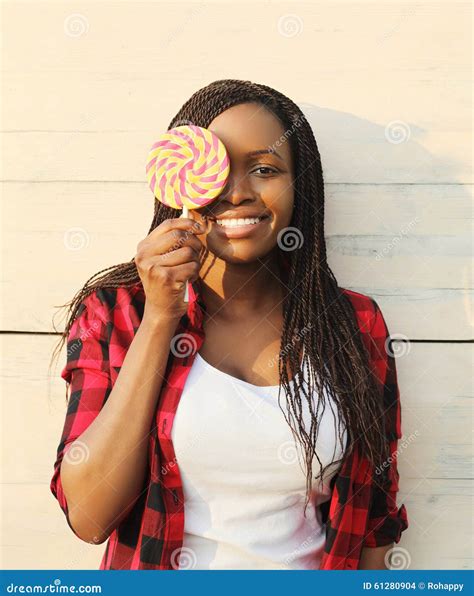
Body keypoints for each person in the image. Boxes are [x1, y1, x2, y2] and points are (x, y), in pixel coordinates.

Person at [50, 79, 408, 570]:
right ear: (177, 180)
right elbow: (90, 516)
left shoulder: (353, 324)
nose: (237, 193)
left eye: (265, 169)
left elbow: (374, 521)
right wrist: (160, 317)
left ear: (300, 185)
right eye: (214, 171)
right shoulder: (117, 313)